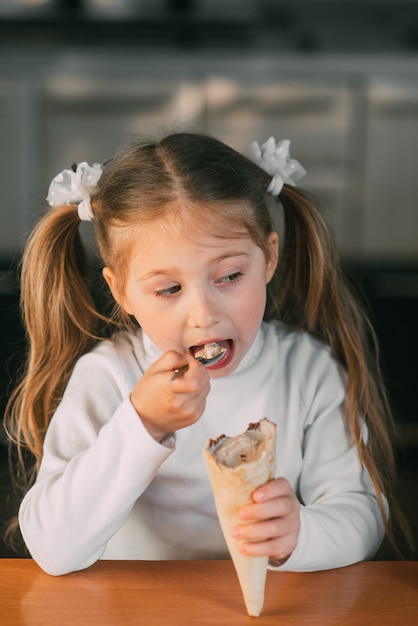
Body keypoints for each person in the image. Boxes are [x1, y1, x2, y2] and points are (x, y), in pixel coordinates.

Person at [4, 131, 408, 576]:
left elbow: (362, 514)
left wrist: (302, 534)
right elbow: (52, 547)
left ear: (269, 257)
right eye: (169, 289)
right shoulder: (108, 378)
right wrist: (143, 424)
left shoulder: (307, 372)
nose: (204, 314)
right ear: (122, 292)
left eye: (230, 276)